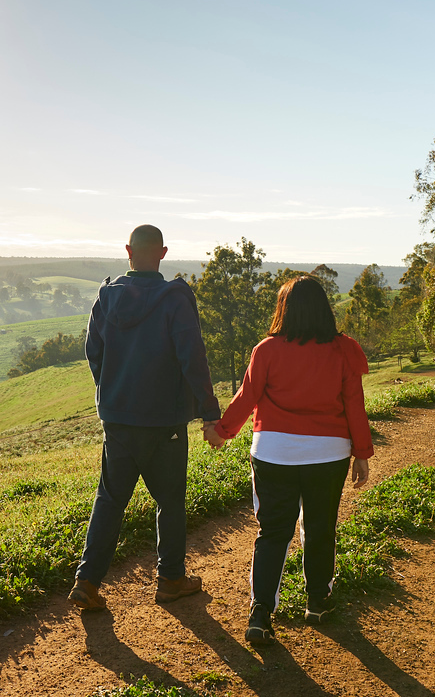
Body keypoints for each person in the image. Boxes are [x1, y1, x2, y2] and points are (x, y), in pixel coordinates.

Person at [203, 276, 372, 646]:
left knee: (273, 532)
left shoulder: (267, 350)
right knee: (320, 527)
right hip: (328, 454)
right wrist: (361, 453)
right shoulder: (344, 350)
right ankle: (318, 602)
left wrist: (222, 431)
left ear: (284, 309)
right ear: (324, 308)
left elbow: (247, 396)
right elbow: (354, 404)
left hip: (273, 453)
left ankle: (261, 613)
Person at [68, 225, 221, 611]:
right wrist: (209, 412)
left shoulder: (106, 297)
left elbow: (93, 352)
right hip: (164, 422)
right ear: (163, 253)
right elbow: (193, 358)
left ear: (128, 251)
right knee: (170, 500)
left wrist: (112, 392)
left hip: (117, 419)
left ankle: (87, 581)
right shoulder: (175, 299)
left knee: (110, 498)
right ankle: (170, 579)